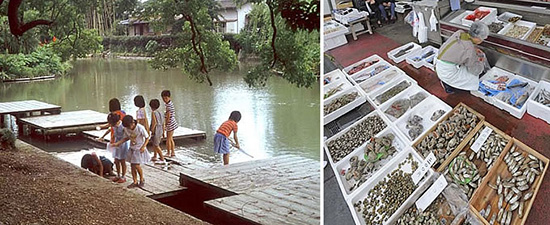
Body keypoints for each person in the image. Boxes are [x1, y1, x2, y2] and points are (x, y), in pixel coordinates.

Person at [436, 21, 490, 93]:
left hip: (438, 62)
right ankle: (449, 86)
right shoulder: (469, 49)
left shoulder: (460, 33)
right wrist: (481, 62)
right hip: (446, 72)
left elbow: (462, 47)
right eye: (482, 39)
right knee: (472, 77)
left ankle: (447, 82)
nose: (482, 41)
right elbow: (474, 71)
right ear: (478, 38)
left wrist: (474, 49)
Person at [112, 115, 151, 188]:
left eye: (129, 126)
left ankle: (142, 179)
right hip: (132, 148)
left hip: (139, 148)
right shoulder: (126, 129)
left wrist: (143, 146)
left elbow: (147, 137)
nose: (129, 128)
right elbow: (126, 138)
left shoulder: (140, 128)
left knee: (136, 165)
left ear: (133, 123)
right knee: (132, 165)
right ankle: (135, 181)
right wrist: (118, 143)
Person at [98, 113, 129, 183]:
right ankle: (118, 175)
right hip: (116, 143)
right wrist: (102, 137)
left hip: (123, 144)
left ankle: (123, 176)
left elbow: (127, 137)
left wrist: (118, 143)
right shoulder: (114, 125)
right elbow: (110, 130)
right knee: (116, 160)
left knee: (122, 161)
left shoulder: (123, 126)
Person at [162, 90, 178, 158]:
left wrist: (165, 124)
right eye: (163, 98)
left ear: (169, 97)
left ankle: (168, 152)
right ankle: (173, 152)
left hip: (170, 123)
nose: (164, 100)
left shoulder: (168, 105)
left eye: (166, 98)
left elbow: (168, 116)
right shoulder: (169, 103)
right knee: (170, 138)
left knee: (168, 139)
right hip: (173, 122)